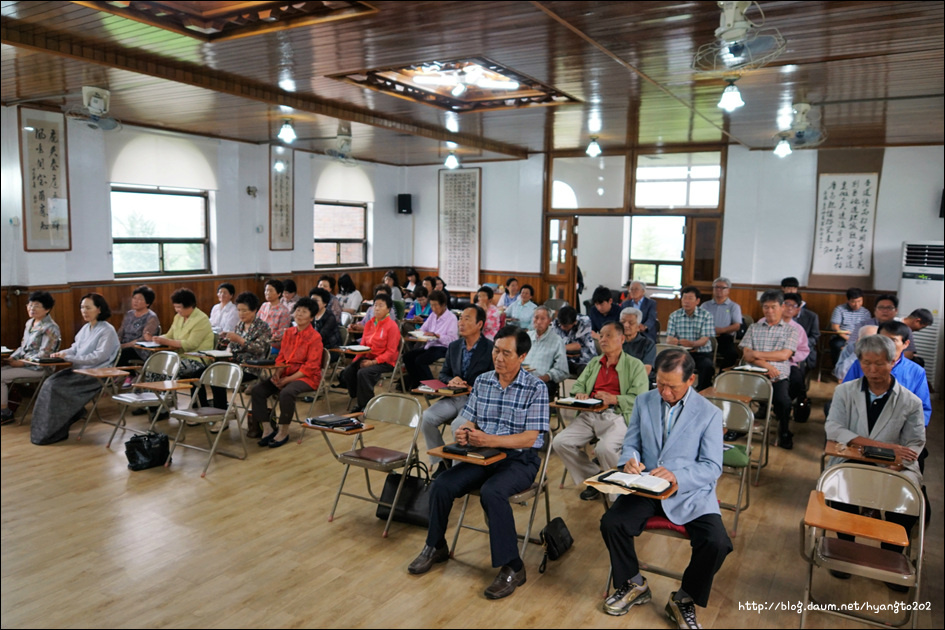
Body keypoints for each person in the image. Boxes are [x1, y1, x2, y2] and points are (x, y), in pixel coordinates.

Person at [408, 326, 549, 601]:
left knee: (492, 492)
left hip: (519, 459)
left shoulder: (536, 387)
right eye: (496, 350)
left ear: (522, 356)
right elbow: (470, 417)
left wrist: (490, 440)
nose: (498, 357)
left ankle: (513, 566)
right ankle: (435, 546)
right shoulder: (484, 381)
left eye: (506, 353)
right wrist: (465, 431)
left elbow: (531, 438)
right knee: (443, 483)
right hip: (482, 453)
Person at [600, 348, 732, 625]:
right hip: (647, 486)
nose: (664, 392)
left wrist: (677, 475)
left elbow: (711, 466)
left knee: (717, 543)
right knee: (612, 522)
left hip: (689, 492)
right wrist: (630, 461)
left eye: (671, 386)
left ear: (691, 380)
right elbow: (632, 443)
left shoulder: (708, 413)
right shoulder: (644, 401)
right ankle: (634, 583)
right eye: (659, 384)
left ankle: (684, 597)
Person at [825, 334, 924, 567]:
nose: (872, 369)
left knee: (905, 503)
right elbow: (833, 428)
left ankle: (892, 555)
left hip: (895, 465)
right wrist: (884, 446)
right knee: (840, 490)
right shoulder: (845, 391)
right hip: (851, 459)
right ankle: (845, 548)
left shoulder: (911, 402)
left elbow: (915, 443)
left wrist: (894, 464)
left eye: (879, 363)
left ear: (892, 362)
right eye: (866, 363)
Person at [554, 321, 648, 501]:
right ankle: (596, 477)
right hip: (590, 413)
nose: (603, 339)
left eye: (608, 335)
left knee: (604, 449)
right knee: (560, 442)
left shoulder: (635, 365)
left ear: (621, 339)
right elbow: (579, 384)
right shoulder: (595, 362)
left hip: (617, 414)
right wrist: (580, 392)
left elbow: (641, 398)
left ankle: (620, 494)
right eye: (601, 335)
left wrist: (616, 399)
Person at [30, 293, 120, 444]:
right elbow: (75, 348)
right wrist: (61, 353)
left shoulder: (107, 330)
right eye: (82, 307)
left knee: (55, 387)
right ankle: (49, 429)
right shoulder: (86, 328)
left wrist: (69, 358)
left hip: (96, 373)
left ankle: (57, 429)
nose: (84, 311)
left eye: (88, 308)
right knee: (49, 383)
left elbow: (98, 357)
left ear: (99, 309)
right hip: (80, 370)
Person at [421, 305, 494, 472]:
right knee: (427, 417)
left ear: (479, 324)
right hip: (454, 398)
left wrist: (472, 386)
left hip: (475, 401)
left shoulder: (490, 348)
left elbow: (494, 379)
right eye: (460, 318)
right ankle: (441, 462)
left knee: (458, 425)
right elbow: (444, 374)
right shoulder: (454, 346)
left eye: (467, 319)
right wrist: (452, 380)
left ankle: (457, 471)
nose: (461, 322)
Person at [250, 298, 324, 448]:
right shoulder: (289, 332)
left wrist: (288, 379)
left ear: (311, 317)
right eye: (298, 310)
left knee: (287, 393)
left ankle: (283, 430)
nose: (299, 314)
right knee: (257, 390)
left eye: (304, 312)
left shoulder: (315, 337)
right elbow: (282, 357)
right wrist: (278, 373)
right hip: (286, 374)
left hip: (307, 377)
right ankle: (267, 428)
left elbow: (311, 366)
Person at [739, 290, 799, 449]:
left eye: (773, 307)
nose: (769, 311)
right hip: (753, 375)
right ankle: (736, 427)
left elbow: (784, 354)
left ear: (782, 307)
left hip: (777, 377)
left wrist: (756, 354)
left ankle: (784, 431)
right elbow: (746, 354)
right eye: (766, 307)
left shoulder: (791, 330)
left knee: (783, 402)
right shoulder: (753, 327)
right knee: (735, 395)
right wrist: (767, 365)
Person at [146, 288, 215, 404]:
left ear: (190, 306)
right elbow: (169, 335)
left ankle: (166, 402)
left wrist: (165, 341)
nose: (177, 310)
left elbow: (190, 344)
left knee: (168, 369)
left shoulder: (201, 320)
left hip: (196, 360)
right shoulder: (178, 317)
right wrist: (155, 338)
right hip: (179, 358)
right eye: (175, 307)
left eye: (179, 307)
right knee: (153, 368)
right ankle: (152, 402)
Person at [212, 291, 272, 423]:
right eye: (239, 310)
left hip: (250, 367)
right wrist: (225, 344)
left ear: (254, 310)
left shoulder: (262, 327)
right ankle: (220, 412)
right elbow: (233, 348)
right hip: (235, 364)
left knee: (219, 378)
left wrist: (240, 340)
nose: (241, 314)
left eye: (245, 311)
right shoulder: (239, 325)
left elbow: (260, 349)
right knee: (213, 374)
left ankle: (222, 417)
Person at [1, 291, 61, 423]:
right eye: (30, 305)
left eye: (37, 305)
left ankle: (5, 414)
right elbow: (23, 347)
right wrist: (13, 357)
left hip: (40, 368)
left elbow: (44, 355)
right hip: (25, 363)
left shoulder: (50, 328)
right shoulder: (30, 323)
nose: (31, 308)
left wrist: (22, 363)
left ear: (47, 309)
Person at [340, 293, 400, 412]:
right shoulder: (369, 323)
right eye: (375, 305)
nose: (377, 308)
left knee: (364, 373)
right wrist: (355, 362)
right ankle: (358, 397)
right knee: (348, 372)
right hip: (368, 357)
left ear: (388, 309)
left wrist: (373, 362)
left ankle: (365, 405)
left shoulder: (392, 326)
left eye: (381, 306)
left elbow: (391, 352)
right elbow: (363, 346)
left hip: (385, 361)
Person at [403, 290, 458, 390]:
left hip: (443, 348)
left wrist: (437, 336)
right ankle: (417, 383)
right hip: (430, 345)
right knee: (407, 357)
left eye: (436, 305)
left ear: (443, 304)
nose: (433, 308)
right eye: (431, 305)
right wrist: (418, 332)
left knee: (420, 361)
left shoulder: (451, 318)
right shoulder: (433, 315)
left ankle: (434, 387)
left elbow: (453, 340)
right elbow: (424, 328)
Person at [666, 286, 715, 391]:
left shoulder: (706, 316)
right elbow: (669, 338)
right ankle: (676, 389)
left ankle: (702, 391)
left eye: (690, 298)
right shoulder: (674, 315)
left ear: (697, 301)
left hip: (701, 353)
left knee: (707, 365)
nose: (686, 301)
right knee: (667, 363)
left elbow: (704, 339)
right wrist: (673, 341)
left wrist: (692, 344)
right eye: (684, 298)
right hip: (681, 353)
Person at [524, 306, 569, 402]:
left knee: (536, 389)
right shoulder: (526, 337)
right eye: (536, 318)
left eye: (542, 318)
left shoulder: (557, 341)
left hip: (544, 381)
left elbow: (562, 370)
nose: (539, 321)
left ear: (549, 320)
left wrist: (546, 377)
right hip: (523, 377)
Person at [700, 277, 742, 369]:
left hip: (725, 338)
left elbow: (737, 326)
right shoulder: (705, 305)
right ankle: (707, 377)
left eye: (722, 288)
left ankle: (721, 376)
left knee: (732, 354)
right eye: (716, 287)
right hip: (706, 337)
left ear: (728, 290)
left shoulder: (733, 306)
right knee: (700, 355)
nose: (719, 290)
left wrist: (722, 330)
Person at [116, 285, 160, 365]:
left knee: (122, 352)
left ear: (147, 303)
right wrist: (117, 342)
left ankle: (125, 376)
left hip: (139, 349)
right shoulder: (129, 314)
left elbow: (145, 338)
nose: (135, 301)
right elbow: (121, 331)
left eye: (140, 299)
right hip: (123, 345)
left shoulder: (151, 317)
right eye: (134, 298)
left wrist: (125, 345)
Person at [829, 287, 870, 365]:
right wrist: (848, 339)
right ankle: (838, 371)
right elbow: (835, 327)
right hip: (841, 337)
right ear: (848, 300)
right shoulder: (839, 309)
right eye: (853, 302)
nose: (857, 304)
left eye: (859, 301)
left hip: (859, 338)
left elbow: (867, 329)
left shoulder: (865, 312)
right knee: (837, 345)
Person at [552, 304, 596, 375]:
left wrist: (560, 347)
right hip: (565, 359)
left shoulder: (584, 322)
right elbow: (554, 343)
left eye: (566, 326)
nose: (562, 328)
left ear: (574, 322)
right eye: (561, 325)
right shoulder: (557, 322)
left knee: (584, 372)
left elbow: (578, 346)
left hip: (583, 359)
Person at [620, 307, 656, 376]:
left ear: (639, 327)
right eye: (623, 322)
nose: (626, 325)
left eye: (631, 323)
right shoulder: (614, 342)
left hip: (639, 382)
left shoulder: (648, 344)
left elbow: (646, 370)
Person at [258, 279, 291, 351]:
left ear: (279, 293)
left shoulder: (284, 311)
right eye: (266, 290)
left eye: (270, 291)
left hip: (273, 344)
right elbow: (256, 322)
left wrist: (267, 338)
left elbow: (282, 331)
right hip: (259, 340)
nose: (267, 293)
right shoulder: (264, 306)